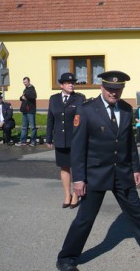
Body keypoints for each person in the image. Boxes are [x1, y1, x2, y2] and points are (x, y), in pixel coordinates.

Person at [56, 71, 140, 271]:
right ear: (102, 88)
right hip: (95, 174)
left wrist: (135, 167)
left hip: (122, 172)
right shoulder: (87, 110)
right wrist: (78, 179)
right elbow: (78, 148)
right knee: (85, 219)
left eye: (118, 89)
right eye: (110, 89)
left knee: (138, 212)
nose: (114, 93)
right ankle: (66, 258)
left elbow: (129, 142)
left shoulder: (125, 109)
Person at [46, 73, 85, 209]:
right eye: (68, 83)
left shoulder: (79, 98)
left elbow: (81, 119)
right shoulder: (54, 99)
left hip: (75, 139)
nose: (71, 84)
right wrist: (49, 137)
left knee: (76, 167)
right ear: (61, 85)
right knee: (64, 167)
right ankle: (67, 194)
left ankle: (76, 194)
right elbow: (50, 118)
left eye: (73, 82)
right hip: (60, 139)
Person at [16, 76, 37, 146]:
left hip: (30, 111)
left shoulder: (32, 89)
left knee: (33, 127)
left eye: (25, 82)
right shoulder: (26, 89)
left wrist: (25, 96)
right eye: (24, 82)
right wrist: (22, 98)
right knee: (24, 127)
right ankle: (23, 141)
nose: (24, 83)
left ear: (29, 81)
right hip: (25, 111)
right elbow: (22, 97)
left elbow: (34, 96)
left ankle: (33, 141)